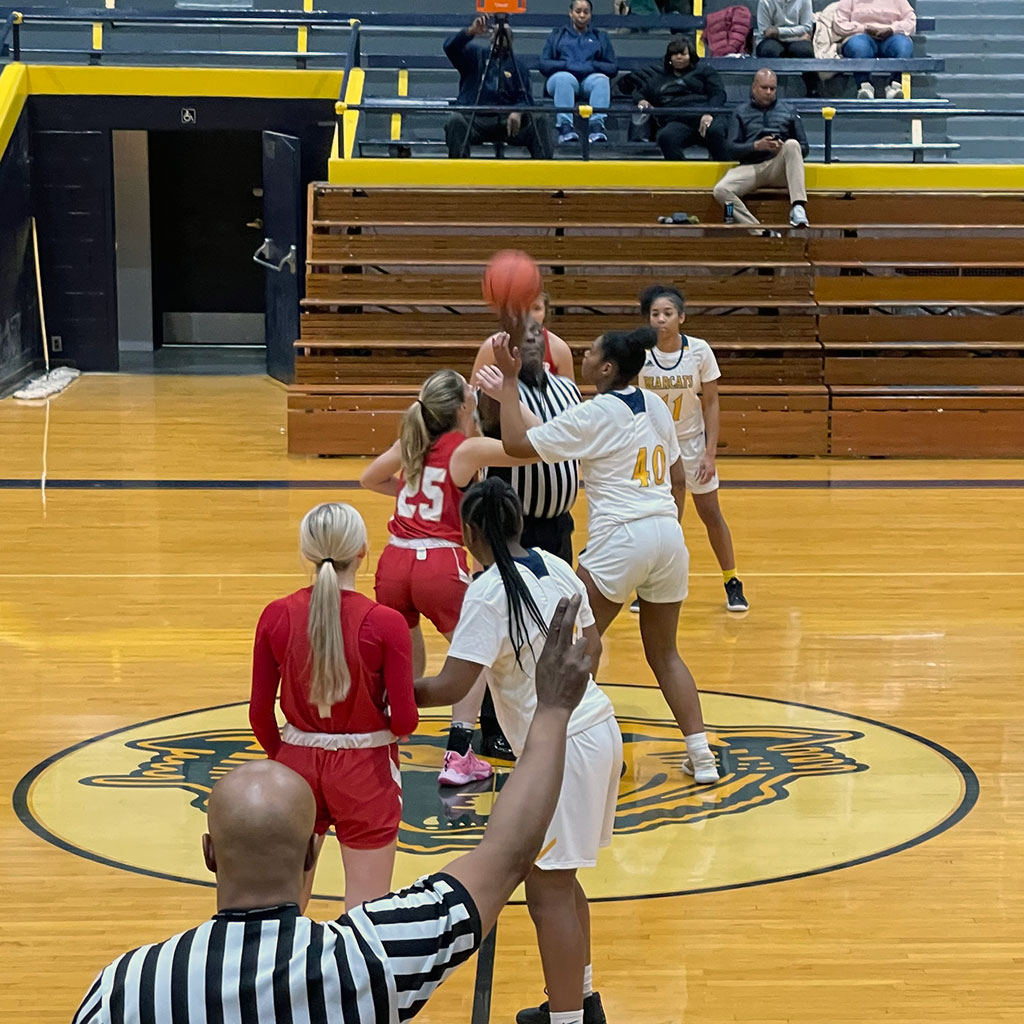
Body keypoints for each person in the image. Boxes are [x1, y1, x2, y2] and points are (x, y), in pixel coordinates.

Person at [72, 597, 593, 1024]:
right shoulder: (367, 961)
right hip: (364, 769)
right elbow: (506, 854)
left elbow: (262, 708)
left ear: (210, 854)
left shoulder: (125, 987)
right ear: (310, 850)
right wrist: (551, 709)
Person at [415, 477, 620, 1024]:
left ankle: (568, 1020)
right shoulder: (555, 565)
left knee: (547, 890)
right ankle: (579, 1001)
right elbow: (592, 643)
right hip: (596, 729)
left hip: (564, 746)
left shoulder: (485, 593)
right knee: (561, 878)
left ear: (470, 532)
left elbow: (451, 687)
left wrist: (388, 691)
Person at [482, 323, 720, 785]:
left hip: (621, 537)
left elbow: (515, 444)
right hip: (668, 535)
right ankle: (702, 755)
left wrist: (510, 384)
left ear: (607, 367)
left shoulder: (595, 413)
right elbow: (676, 478)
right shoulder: (654, 404)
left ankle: (574, 741)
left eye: (589, 351)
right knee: (666, 653)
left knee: (572, 644)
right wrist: (665, 526)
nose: (581, 355)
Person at [359, 368, 537, 787]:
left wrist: (408, 493)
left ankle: (393, 726)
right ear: (461, 406)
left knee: (402, 645)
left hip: (394, 562)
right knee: (472, 654)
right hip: (438, 564)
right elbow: (532, 448)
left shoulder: (412, 442)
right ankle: (459, 753)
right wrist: (512, 400)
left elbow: (369, 478)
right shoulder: (466, 448)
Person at [250, 502, 418, 910]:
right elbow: (406, 719)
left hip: (296, 764)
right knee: (366, 912)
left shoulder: (275, 615)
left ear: (307, 553)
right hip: (365, 769)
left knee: (281, 907)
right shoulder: (386, 623)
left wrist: (291, 756)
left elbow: (259, 714)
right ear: (363, 551)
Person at [632, 285, 749, 613]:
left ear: (681, 317)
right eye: (655, 314)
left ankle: (732, 581)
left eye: (667, 313)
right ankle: (652, 586)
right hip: (654, 447)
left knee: (710, 513)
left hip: (692, 443)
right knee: (662, 519)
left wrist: (710, 453)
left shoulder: (699, 351)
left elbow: (711, 402)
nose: (661, 319)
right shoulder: (640, 354)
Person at [474, 317, 582, 563]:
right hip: (511, 527)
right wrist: (506, 374)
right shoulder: (494, 387)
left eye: (536, 332)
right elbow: (489, 417)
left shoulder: (568, 388)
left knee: (560, 599)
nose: (531, 337)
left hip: (560, 526)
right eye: (522, 334)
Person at [712, 68, 810, 231]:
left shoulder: (789, 111)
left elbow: (804, 148)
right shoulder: (740, 112)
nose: (769, 92)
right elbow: (730, 149)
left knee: (792, 144)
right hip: (750, 168)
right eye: (764, 88)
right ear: (754, 87)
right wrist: (755, 146)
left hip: (779, 168)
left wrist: (781, 148)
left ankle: (798, 207)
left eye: (772, 88)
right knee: (721, 190)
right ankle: (759, 231)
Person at [444, 15, 550, 159]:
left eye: (506, 34)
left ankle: (544, 173)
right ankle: (459, 173)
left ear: (512, 39)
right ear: (491, 37)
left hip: (508, 122)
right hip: (476, 119)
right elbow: (450, 47)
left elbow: (525, 98)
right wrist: (470, 32)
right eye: (498, 33)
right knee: (455, 121)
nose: (501, 37)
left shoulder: (519, 67)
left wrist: (518, 111)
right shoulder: (475, 56)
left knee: (540, 119)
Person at [619, 35, 728, 161]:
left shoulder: (705, 71)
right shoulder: (659, 78)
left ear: (691, 55)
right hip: (678, 121)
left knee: (716, 131)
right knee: (666, 137)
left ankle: (724, 171)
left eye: (683, 54)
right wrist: (641, 100)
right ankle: (682, 175)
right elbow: (640, 93)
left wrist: (710, 113)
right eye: (675, 54)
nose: (679, 57)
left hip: (706, 115)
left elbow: (718, 94)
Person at [540, 0, 619, 147]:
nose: (582, 15)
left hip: (588, 80)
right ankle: (565, 128)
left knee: (601, 80)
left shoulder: (600, 37)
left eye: (586, 12)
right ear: (571, 13)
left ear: (590, 15)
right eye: (578, 11)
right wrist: (567, 65)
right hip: (560, 79)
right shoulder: (557, 35)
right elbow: (544, 64)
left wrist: (591, 65)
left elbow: (612, 67)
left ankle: (596, 127)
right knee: (564, 78)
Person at [473, 291, 575, 382]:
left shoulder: (560, 349)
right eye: (521, 307)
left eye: (536, 308)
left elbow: (570, 399)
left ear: (546, 312)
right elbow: (473, 399)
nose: (529, 315)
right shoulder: (491, 346)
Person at [835, 0, 916, 99]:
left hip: (891, 36)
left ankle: (895, 86)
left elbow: (910, 21)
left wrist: (892, 29)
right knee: (858, 47)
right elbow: (840, 23)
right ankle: (864, 86)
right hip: (861, 34)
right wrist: (864, 28)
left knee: (904, 46)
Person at [754, 0, 820, 98]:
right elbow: (765, 31)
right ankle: (769, 93)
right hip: (773, 39)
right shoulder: (765, 2)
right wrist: (795, 33)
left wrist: (779, 31)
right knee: (768, 50)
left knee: (804, 51)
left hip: (794, 40)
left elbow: (807, 27)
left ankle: (813, 90)